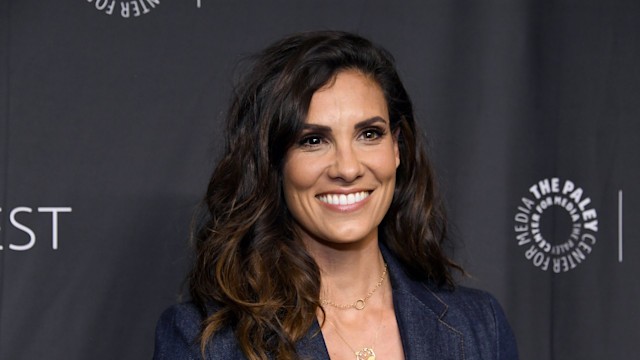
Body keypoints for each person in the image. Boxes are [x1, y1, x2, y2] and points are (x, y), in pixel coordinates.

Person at [153, 30, 518, 360]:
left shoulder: (479, 326)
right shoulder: (205, 342)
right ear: (274, 162)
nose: (347, 168)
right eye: (313, 140)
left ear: (397, 148)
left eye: (369, 134)